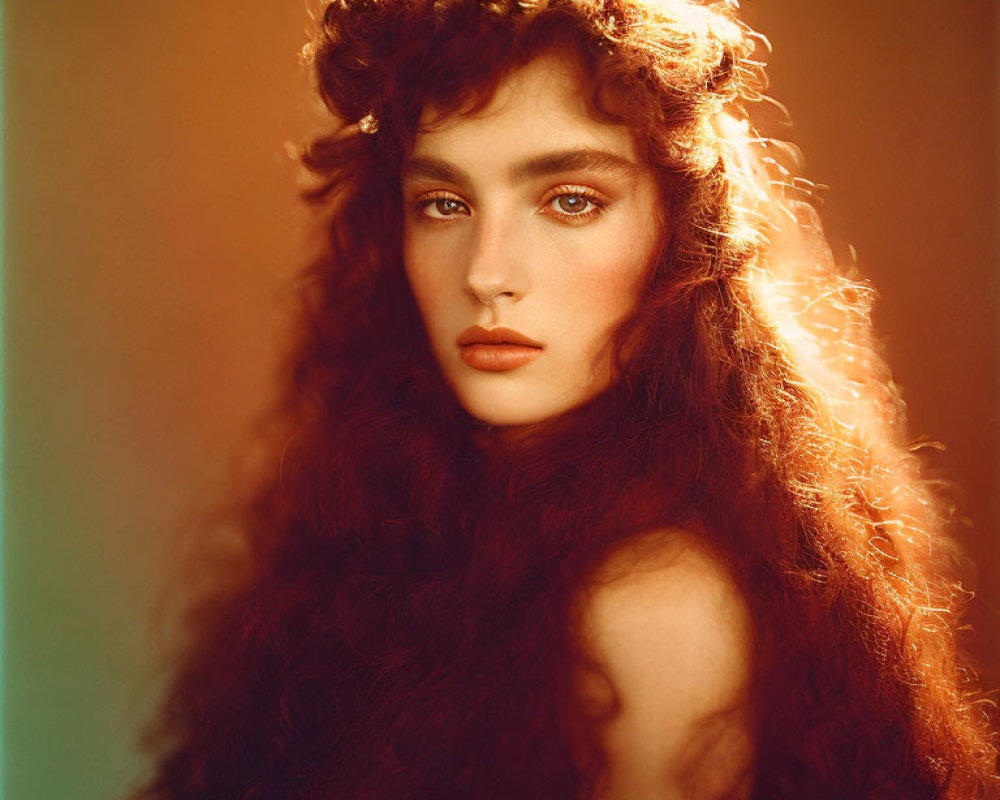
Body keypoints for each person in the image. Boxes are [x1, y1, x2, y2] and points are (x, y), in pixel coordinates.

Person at [132, 0, 998, 797]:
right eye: (442, 203)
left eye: (570, 200)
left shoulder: (654, 609)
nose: (486, 272)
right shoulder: (391, 522)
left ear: (677, 237)